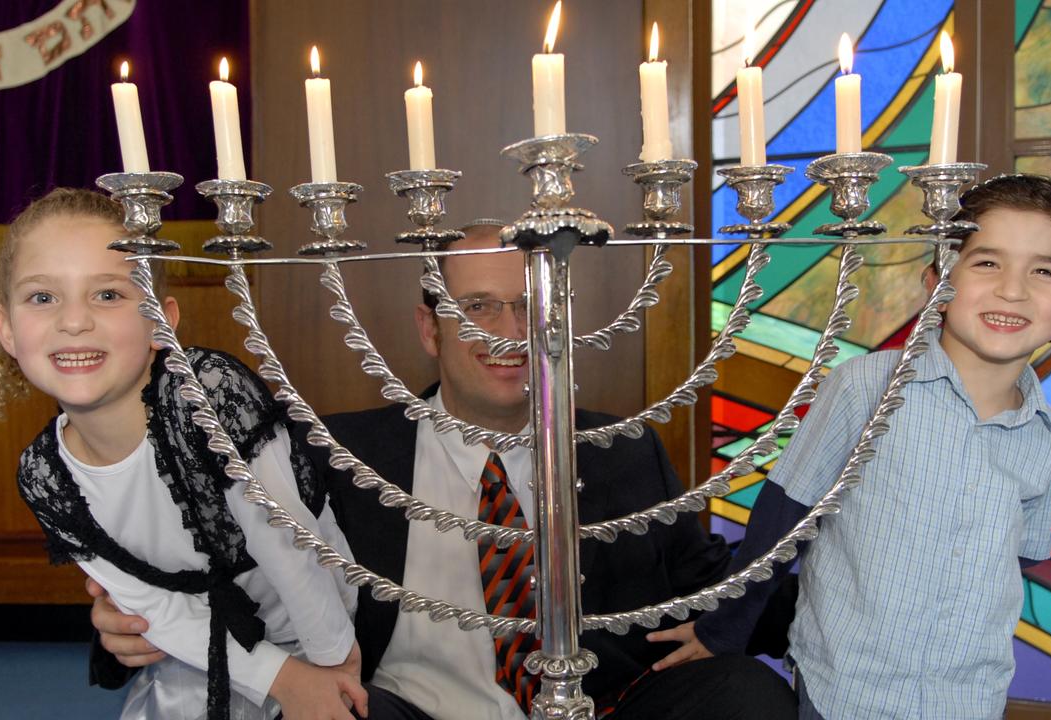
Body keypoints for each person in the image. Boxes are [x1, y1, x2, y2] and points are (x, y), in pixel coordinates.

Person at [91, 221, 798, 719]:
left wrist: (835, 591)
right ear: (431, 329)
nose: (505, 332)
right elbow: (223, 562)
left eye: (527, 307)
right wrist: (122, 621)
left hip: (599, 706)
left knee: (747, 692)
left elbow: (709, 585)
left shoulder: (620, 446)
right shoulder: (337, 455)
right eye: (478, 307)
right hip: (404, 708)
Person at [649, 174, 1051, 719]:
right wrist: (727, 628)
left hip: (969, 698)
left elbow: (1017, 559)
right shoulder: (865, 388)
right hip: (848, 688)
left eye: (1044, 271)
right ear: (937, 278)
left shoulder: (1050, 436)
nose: (1013, 289)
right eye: (986, 262)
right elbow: (783, 518)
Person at [0, 188, 369, 720]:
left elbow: (288, 544)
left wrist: (331, 668)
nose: (74, 322)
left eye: (108, 295)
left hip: (321, 629)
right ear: (6, 327)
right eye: (43, 297)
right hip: (206, 659)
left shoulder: (205, 395)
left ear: (160, 322)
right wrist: (278, 679)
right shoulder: (44, 474)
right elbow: (150, 608)